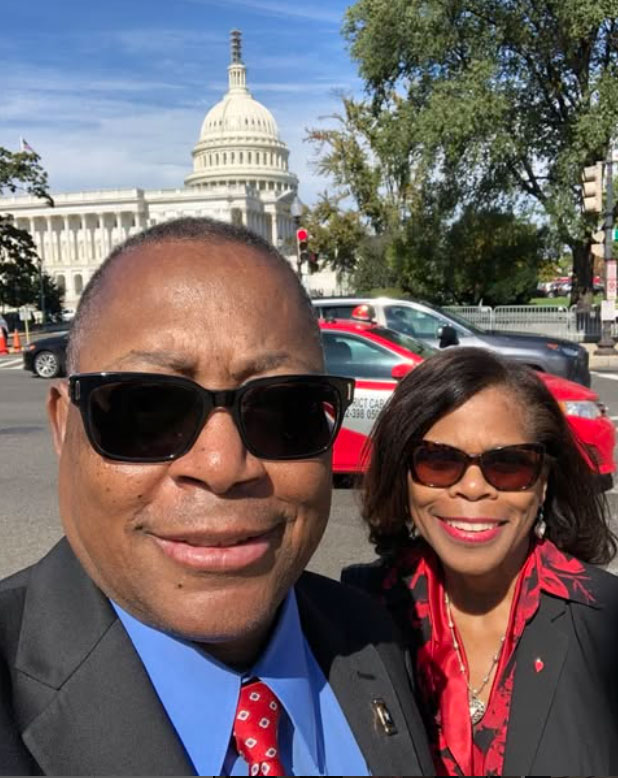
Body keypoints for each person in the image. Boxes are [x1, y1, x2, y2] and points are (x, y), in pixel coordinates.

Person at [0, 217, 433, 776]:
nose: (223, 466)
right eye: (147, 411)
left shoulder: (372, 636)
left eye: (283, 410)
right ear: (63, 426)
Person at [343, 347, 618, 776]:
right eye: (439, 461)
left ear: (543, 482)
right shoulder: (351, 620)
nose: (473, 488)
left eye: (508, 464)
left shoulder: (605, 621)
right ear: (405, 476)